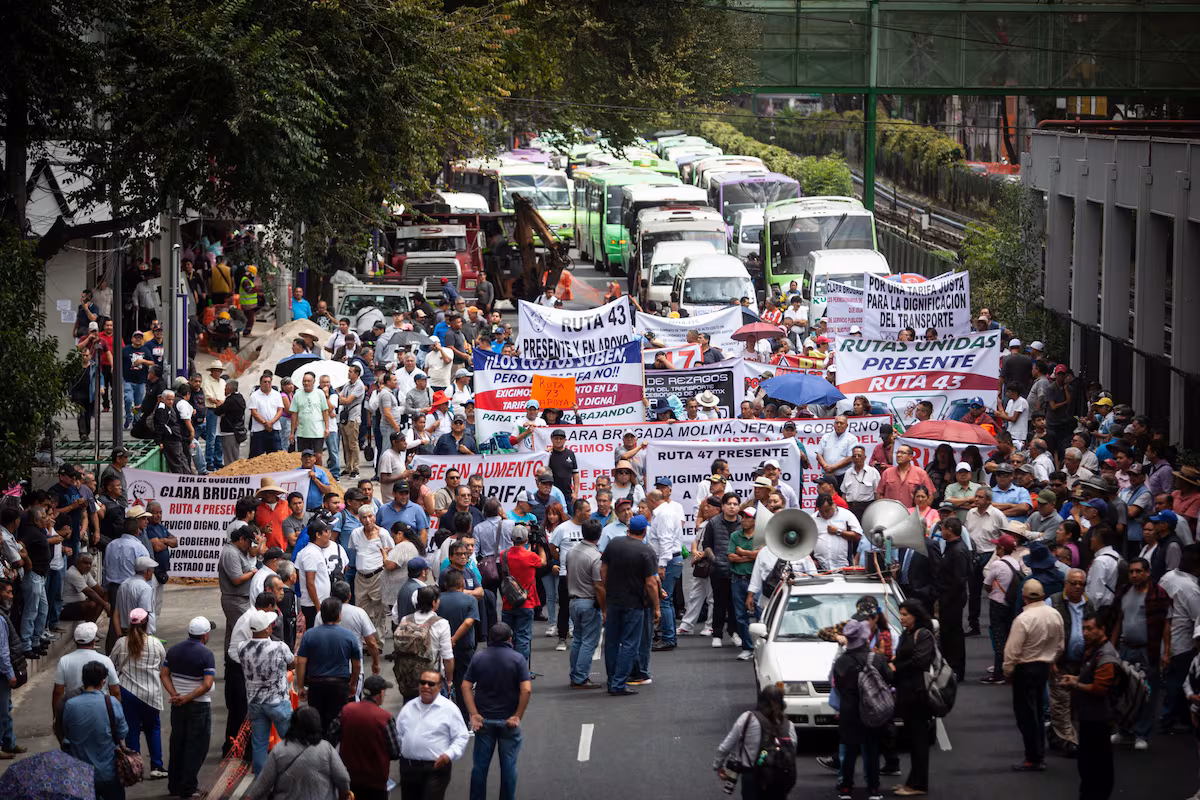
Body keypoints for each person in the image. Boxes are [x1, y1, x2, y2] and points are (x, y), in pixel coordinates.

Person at [461, 623, 532, 800]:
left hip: (484, 720)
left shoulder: (479, 657)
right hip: (508, 721)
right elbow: (526, 690)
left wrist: (473, 714)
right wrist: (517, 715)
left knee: (480, 767)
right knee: (509, 767)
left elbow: (465, 686)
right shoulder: (518, 659)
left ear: (490, 639)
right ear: (510, 639)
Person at [1002, 579, 1063, 771]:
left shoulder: (1023, 619)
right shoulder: (1055, 614)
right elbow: (1060, 645)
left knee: (1026, 716)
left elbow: (1012, 651)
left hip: (1025, 670)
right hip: (1043, 668)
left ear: (1024, 597)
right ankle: (1039, 754)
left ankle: (1033, 757)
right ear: (1043, 595)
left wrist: (1008, 671)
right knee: (1038, 711)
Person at [1058, 613, 1119, 799]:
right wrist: (1076, 678)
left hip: (1099, 718)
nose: (1085, 633)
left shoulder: (1106, 656)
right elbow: (1091, 678)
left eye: (1090, 629)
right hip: (1088, 716)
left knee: (1097, 763)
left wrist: (1075, 684)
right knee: (1087, 762)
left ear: (1102, 630)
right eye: (1083, 628)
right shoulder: (1094, 650)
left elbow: (1099, 688)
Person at [1110, 557, 1168, 748]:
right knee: (1123, 691)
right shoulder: (1124, 592)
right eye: (1131, 572)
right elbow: (1118, 619)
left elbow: (1166, 624)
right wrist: (1111, 648)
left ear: (1147, 573)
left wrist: (1166, 652)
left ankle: (1142, 734)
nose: (1134, 575)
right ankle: (1124, 730)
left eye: (1138, 571)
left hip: (1147, 651)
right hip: (1126, 648)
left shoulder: (1157, 594)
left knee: (1146, 693)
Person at [833, 618, 894, 800]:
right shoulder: (876, 658)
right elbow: (889, 678)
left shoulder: (841, 661)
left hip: (849, 712)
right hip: (872, 711)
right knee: (872, 750)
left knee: (849, 750)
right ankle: (873, 789)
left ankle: (845, 789)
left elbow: (838, 685)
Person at [601, 514, 659, 695]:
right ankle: (618, 683)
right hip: (634, 604)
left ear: (628, 529)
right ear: (644, 530)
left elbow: (603, 570)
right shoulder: (646, 551)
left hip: (614, 601)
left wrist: (608, 588)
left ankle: (612, 680)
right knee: (629, 643)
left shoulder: (614, 544)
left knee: (611, 642)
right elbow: (651, 583)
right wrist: (656, 607)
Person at [244, 706, 352, 800]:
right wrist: (345, 792)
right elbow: (343, 778)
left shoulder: (280, 751)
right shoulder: (326, 749)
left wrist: (250, 797)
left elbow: (263, 784)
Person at [109, 607, 168, 779]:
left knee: (132, 731)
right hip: (151, 694)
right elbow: (162, 664)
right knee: (153, 729)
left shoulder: (121, 643)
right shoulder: (155, 643)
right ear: (147, 624)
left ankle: (136, 769)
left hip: (128, 693)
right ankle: (157, 766)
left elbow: (111, 663)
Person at [162, 617, 217, 799]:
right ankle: (188, 787)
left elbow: (164, 675)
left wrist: (175, 695)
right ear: (205, 635)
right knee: (196, 746)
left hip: (178, 705)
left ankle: (175, 784)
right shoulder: (206, 655)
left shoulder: (174, 650)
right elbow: (207, 685)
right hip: (198, 707)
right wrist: (187, 698)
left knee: (178, 743)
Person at [395, 668, 470, 800]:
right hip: (409, 769)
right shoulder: (409, 707)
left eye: (431, 684)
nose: (426, 686)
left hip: (435, 769)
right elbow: (399, 733)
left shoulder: (449, 709)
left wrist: (449, 755)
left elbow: (461, 736)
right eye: (422, 682)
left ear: (440, 687)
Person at [713, 684, 797, 799]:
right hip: (780, 779)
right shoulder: (788, 725)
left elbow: (725, 746)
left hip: (753, 777)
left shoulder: (748, 718)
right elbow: (792, 749)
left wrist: (718, 765)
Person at [62, 661, 129, 800]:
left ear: (83, 680)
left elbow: (67, 733)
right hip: (108, 772)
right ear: (103, 681)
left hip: (80, 773)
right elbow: (122, 732)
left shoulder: (70, 705)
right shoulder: (112, 702)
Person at [240, 608, 295, 775]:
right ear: (266, 629)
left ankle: (261, 781)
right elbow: (292, 664)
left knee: (259, 744)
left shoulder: (242, 647)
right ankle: (291, 775)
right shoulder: (279, 647)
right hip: (278, 701)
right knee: (292, 741)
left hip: (254, 702)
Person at [326, 675, 400, 800]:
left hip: (349, 778)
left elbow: (331, 736)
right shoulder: (384, 717)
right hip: (376, 782)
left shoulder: (347, 710)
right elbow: (395, 752)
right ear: (381, 693)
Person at [296, 597, 363, 734]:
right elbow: (356, 665)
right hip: (339, 685)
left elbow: (301, 662)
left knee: (318, 722)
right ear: (339, 615)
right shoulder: (349, 636)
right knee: (338, 724)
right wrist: (352, 684)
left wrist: (301, 686)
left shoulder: (309, 635)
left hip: (316, 685)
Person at [892, 600, 937, 796]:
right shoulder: (906, 634)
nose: (901, 618)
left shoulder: (923, 634)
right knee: (912, 740)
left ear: (915, 616)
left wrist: (897, 666)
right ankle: (912, 781)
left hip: (918, 694)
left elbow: (920, 660)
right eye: (901, 614)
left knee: (919, 741)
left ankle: (919, 784)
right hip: (905, 692)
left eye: (905, 614)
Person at [1047, 569, 1094, 756]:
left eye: (1080, 584)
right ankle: (1070, 741)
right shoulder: (1054, 602)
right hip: (1060, 662)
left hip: (1081, 664)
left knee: (1075, 703)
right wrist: (1051, 660)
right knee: (1060, 702)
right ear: (1065, 584)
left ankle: (1055, 733)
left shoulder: (1089, 605)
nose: (1076, 586)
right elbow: (1047, 633)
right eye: (1073, 583)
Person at [564, 519, 605, 687]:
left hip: (573, 601)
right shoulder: (596, 557)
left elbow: (567, 574)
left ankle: (575, 674)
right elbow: (599, 586)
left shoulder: (571, 551)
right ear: (599, 535)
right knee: (589, 642)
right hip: (588, 602)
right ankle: (580, 676)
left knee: (579, 640)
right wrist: (605, 609)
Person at [499, 526, 545, 667]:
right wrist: (541, 547)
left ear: (511, 539)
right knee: (523, 637)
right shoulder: (530, 556)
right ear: (526, 539)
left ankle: (508, 667)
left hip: (508, 601)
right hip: (526, 601)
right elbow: (543, 562)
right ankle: (522, 669)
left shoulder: (503, 555)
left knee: (508, 637)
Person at [935, 517, 971, 679]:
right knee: (948, 634)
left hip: (952, 599)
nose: (940, 531)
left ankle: (956, 669)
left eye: (942, 528)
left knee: (953, 635)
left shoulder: (957, 551)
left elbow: (958, 580)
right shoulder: (953, 548)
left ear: (949, 530)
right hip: (949, 598)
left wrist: (946, 598)